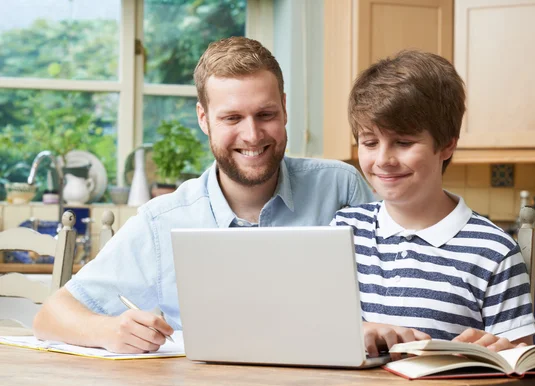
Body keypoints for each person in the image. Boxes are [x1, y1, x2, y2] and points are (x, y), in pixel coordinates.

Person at [33, 37, 374, 353]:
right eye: (232, 118)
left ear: (284, 109)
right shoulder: (162, 220)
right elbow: (50, 316)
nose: (252, 135)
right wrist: (109, 331)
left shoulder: (341, 187)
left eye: (266, 114)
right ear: (204, 118)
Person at [332, 50, 535, 357]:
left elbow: (521, 365)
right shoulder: (344, 229)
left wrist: (500, 354)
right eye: (369, 142)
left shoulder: (493, 252)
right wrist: (353, 331)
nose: (383, 160)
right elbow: (313, 330)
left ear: (446, 144)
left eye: (403, 142)